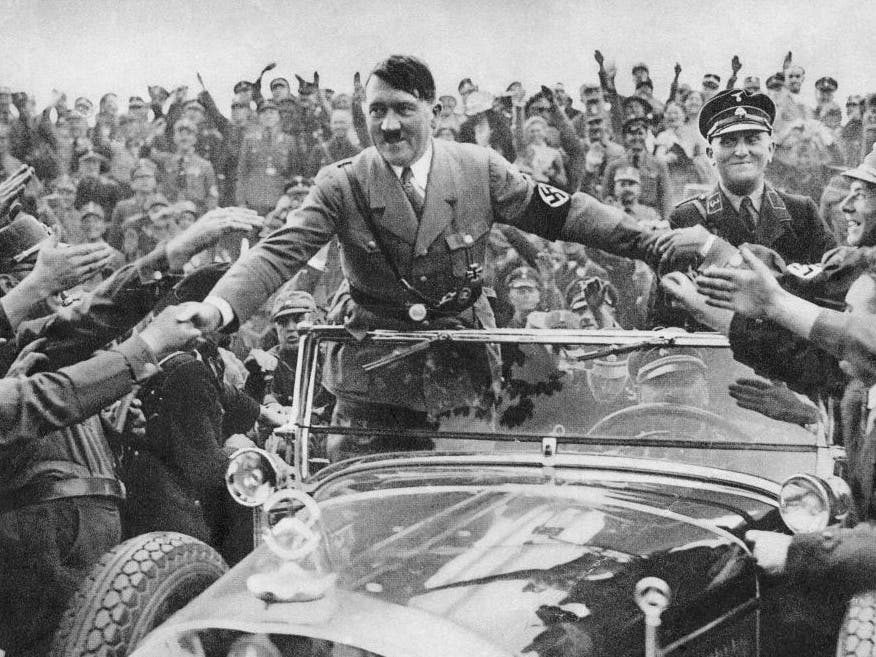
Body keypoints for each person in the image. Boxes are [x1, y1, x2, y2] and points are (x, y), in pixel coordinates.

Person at [179, 54, 679, 460]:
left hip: (461, 374)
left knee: (467, 507)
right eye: (377, 111)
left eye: (403, 109)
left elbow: (565, 214)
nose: (389, 126)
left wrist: (652, 244)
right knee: (356, 513)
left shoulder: (478, 170)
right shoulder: (343, 183)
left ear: (434, 113)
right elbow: (277, 254)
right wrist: (219, 308)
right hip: (372, 378)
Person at [661, 88, 835, 265]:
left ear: (770, 150)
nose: (741, 152)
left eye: (752, 140)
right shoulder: (687, 218)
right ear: (711, 154)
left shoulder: (802, 213)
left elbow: (833, 280)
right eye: (728, 142)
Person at [602, 117, 672, 219]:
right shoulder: (614, 166)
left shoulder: (658, 165)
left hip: (650, 218)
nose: (636, 137)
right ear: (625, 137)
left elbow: (665, 198)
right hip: (622, 216)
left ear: (646, 135)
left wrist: (666, 221)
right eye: (632, 134)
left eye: (640, 133)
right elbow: (606, 197)